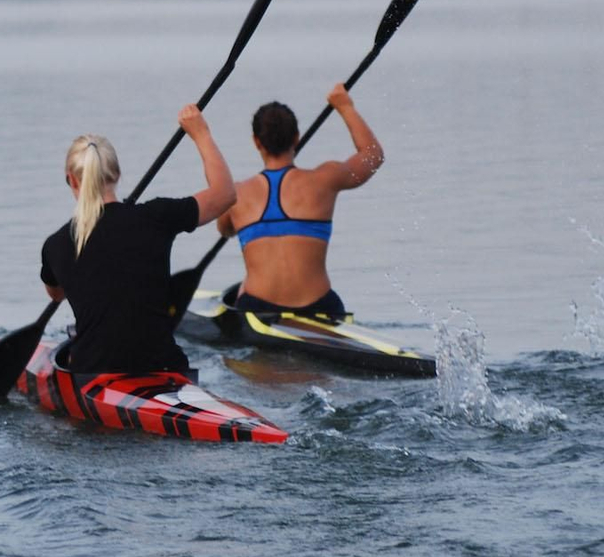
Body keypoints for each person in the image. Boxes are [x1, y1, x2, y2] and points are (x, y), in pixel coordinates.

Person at [40, 104, 235, 375]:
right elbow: (225, 194)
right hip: (166, 367)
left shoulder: (56, 245)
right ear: (117, 174)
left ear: (71, 180)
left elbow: (57, 294)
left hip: (94, 371)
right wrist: (201, 134)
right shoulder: (157, 216)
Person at [215, 85, 383, 320]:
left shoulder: (235, 195)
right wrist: (345, 107)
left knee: (242, 288)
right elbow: (373, 155)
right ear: (296, 137)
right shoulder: (325, 180)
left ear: (256, 142)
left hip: (257, 308)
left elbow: (224, 230)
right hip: (320, 307)